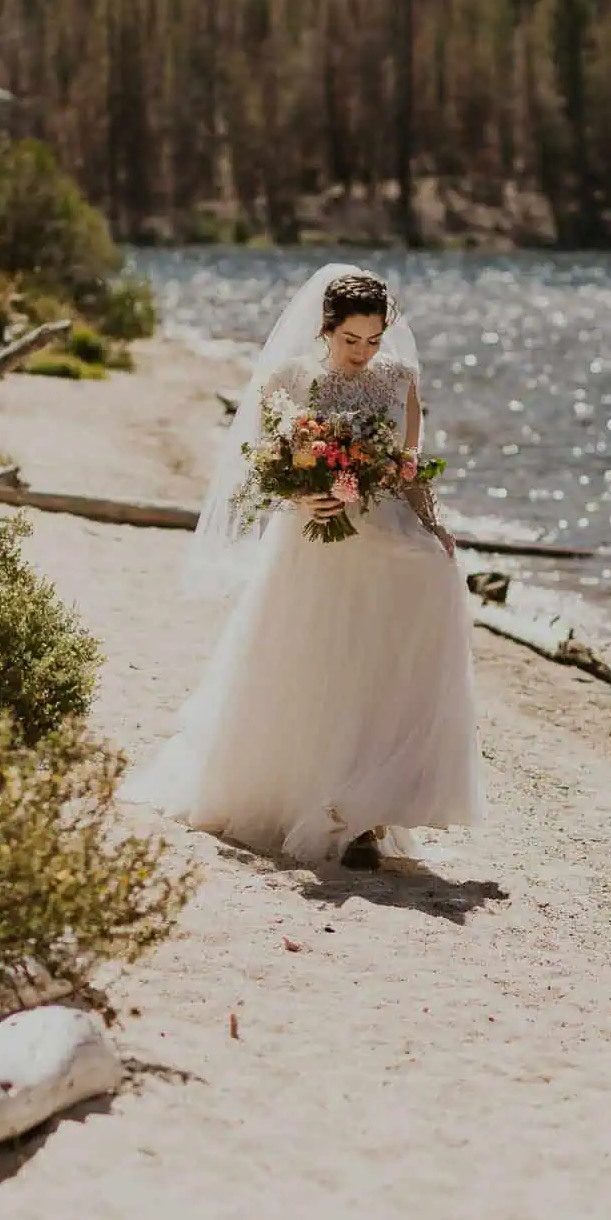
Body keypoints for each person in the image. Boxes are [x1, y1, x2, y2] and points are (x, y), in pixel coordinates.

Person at [126, 264, 486, 869]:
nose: (363, 353)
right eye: (351, 340)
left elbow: (406, 467)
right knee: (324, 663)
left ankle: (369, 808)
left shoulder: (399, 380)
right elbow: (267, 468)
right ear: (326, 328)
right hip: (316, 537)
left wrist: (434, 525)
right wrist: (302, 495)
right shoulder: (292, 379)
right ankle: (318, 802)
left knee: (415, 606)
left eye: (373, 340)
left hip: (384, 530)